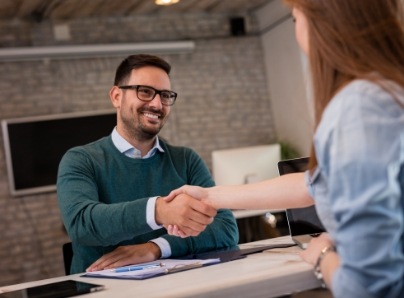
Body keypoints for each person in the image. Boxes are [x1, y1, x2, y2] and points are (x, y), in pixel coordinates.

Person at [164, 1, 404, 297]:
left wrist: (323, 254)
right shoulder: (387, 91)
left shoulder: (359, 107)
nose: (297, 32)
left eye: (294, 20)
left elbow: (369, 287)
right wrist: (210, 196)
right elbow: (313, 185)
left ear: (323, 22)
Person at [57, 54, 239, 274]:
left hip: (178, 288)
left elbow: (226, 228)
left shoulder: (186, 160)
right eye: (145, 91)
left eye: (165, 95)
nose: (156, 104)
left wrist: (156, 248)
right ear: (116, 96)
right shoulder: (80, 160)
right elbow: (81, 224)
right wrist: (159, 210)